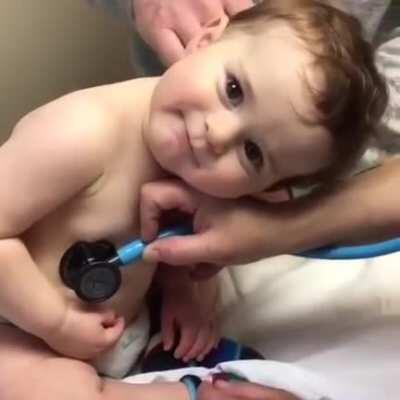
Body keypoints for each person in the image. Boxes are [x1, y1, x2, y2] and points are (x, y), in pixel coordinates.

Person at [0, 1, 387, 399]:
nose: (217, 134)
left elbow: (177, 239)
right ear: (205, 39)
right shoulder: (82, 132)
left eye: (252, 152)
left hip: (112, 329)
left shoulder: (196, 169)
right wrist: (56, 322)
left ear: (268, 189)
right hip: (18, 322)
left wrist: (185, 292)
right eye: (233, 90)